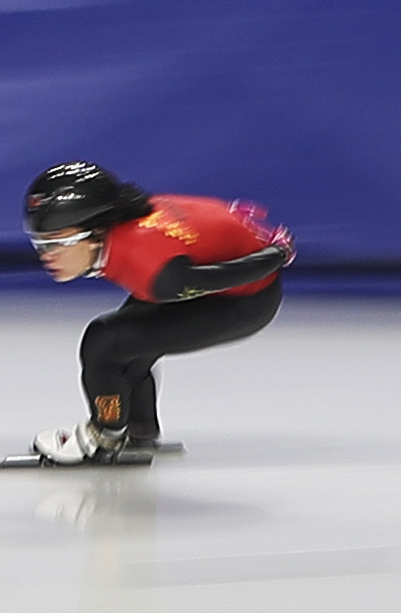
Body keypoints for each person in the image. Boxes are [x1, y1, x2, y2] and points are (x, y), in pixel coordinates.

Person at [18, 162, 291, 463]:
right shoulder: (126, 227)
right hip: (199, 275)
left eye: (57, 243)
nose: (46, 256)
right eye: (40, 243)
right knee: (128, 346)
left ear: (96, 234)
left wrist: (274, 255)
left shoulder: (151, 268)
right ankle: (140, 429)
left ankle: (104, 436)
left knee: (104, 342)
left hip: (246, 301)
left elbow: (206, 279)